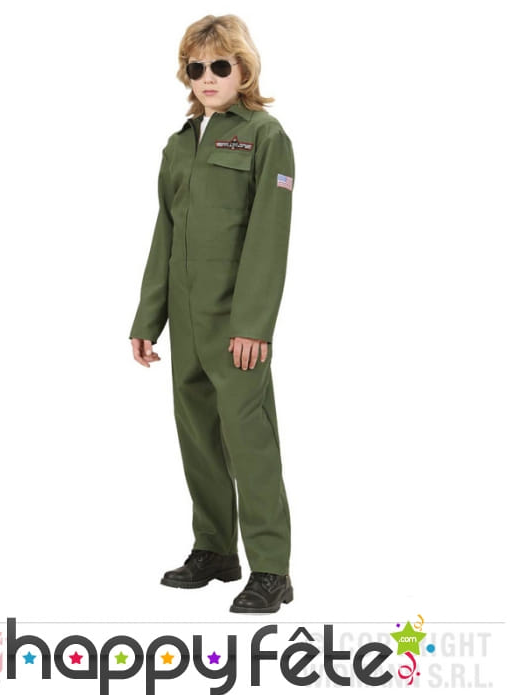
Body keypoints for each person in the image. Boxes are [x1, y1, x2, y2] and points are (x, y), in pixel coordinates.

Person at [129, 14, 295, 614]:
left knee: (249, 441)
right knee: (198, 436)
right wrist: (148, 319)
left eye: (220, 65)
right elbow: (165, 234)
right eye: (196, 67)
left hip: (236, 324)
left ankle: (271, 569)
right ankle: (215, 550)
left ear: (243, 69)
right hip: (187, 319)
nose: (207, 77)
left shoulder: (265, 136)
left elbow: (269, 236)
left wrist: (253, 325)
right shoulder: (179, 144)